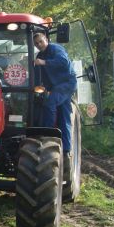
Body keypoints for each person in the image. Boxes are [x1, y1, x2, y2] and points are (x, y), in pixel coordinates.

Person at [34, 31, 78, 176]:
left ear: (46, 39)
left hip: (66, 83)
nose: (39, 45)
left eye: (40, 41)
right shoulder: (39, 56)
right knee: (64, 117)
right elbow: (39, 74)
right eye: (36, 43)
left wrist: (44, 62)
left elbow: (64, 63)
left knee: (50, 104)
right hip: (54, 87)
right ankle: (66, 151)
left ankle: (48, 134)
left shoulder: (55, 49)